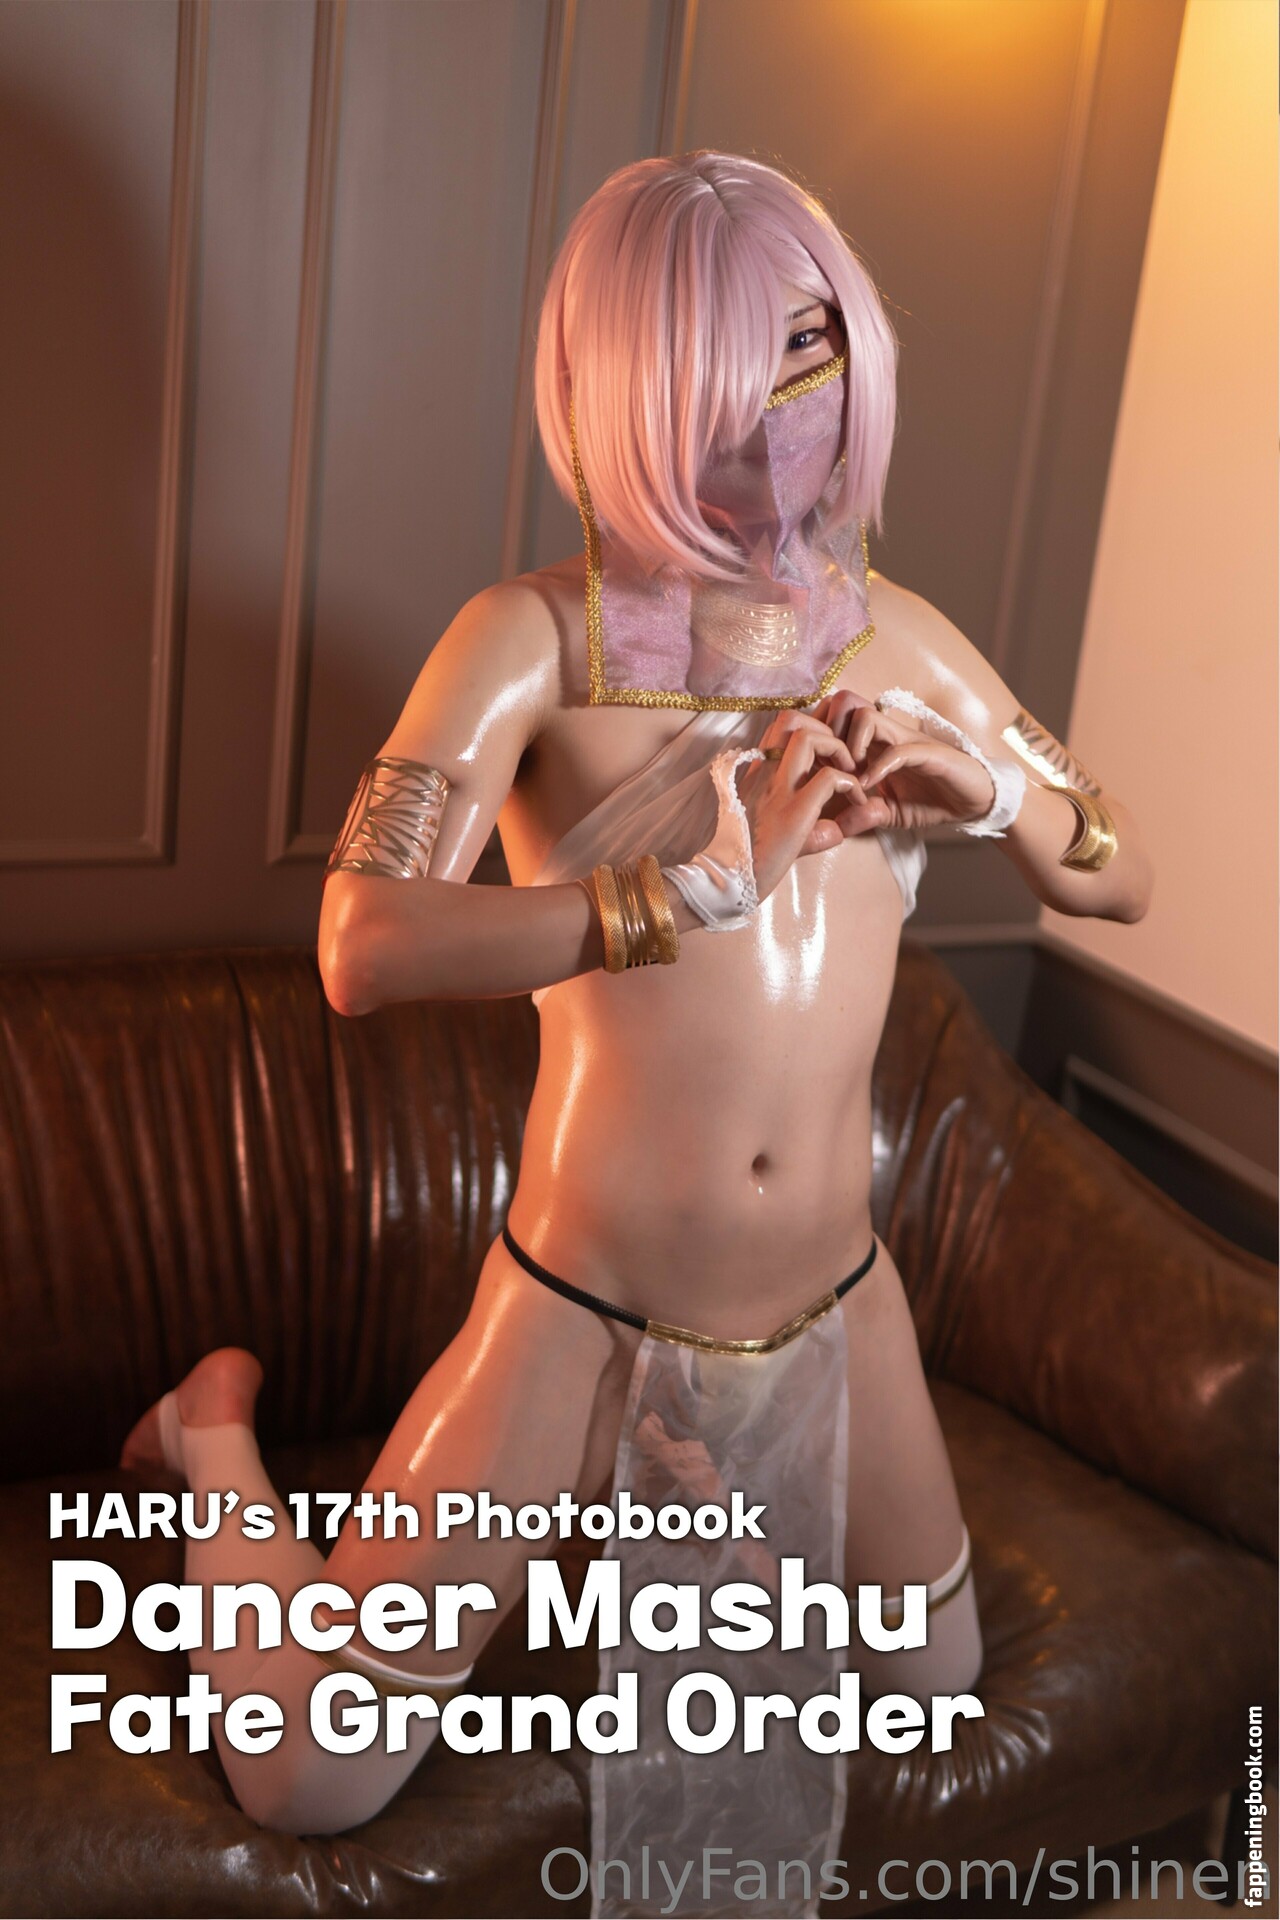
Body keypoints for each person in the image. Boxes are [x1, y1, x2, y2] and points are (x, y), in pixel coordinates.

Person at [120, 151, 1152, 1910]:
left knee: (936, 1686)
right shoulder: (528, 643)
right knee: (309, 1772)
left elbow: (1118, 873)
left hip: (834, 1311)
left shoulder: (905, 643)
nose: (777, 416)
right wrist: (670, 896)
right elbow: (360, 943)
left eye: (809, 350)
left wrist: (991, 793)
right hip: (582, 1319)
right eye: (720, 378)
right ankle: (209, 1433)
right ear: (625, 395)